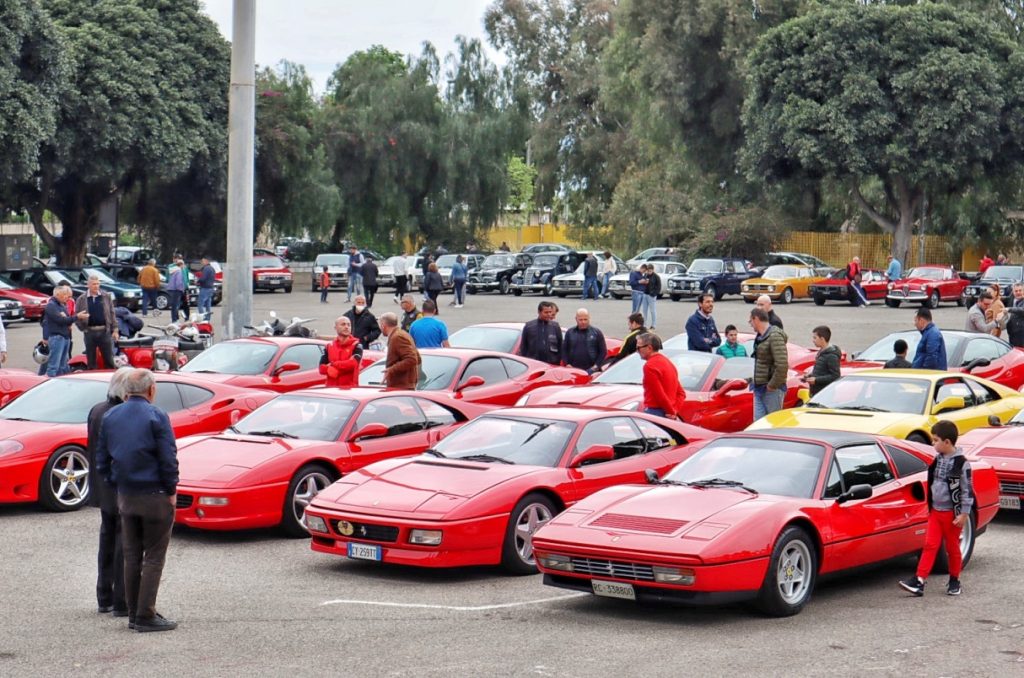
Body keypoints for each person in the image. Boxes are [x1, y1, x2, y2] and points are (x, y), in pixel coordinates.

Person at [95, 368, 179, 632]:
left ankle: (133, 613)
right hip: (154, 495)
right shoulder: (157, 415)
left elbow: (101, 460)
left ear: (127, 391)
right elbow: (168, 458)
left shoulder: (111, 416)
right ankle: (145, 614)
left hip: (126, 495)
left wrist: (116, 483)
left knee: (131, 555)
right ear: (151, 390)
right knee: (153, 556)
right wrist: (171, 489)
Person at [899, 420, 973, 598]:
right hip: (936, 512)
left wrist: (964, 514)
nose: (933, 444)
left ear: (947, 442)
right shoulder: (937, 460)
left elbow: (967, 491)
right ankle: (919, 580)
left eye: (935, 440)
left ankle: (954, 580)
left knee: (953, 548)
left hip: (951, 514)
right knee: (930, 545)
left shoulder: (962, 464)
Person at [88, 368, 132, 618]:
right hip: (117, 487)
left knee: (107, 541)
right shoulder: (118, 415)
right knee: (122, 544)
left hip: (102, 487)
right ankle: (119, 600)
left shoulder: (97, 410)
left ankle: (104, 596)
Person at [750, 307, 789, 420]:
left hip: (772, 390)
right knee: (757, 425)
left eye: (750, 321)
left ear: (756, 319)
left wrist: (772, 385)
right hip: (759, 388)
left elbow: (782, 365)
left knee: (773, 423)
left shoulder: (775, 336)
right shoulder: (761, 337)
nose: (750, 324)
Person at [637, 333, 686, 420]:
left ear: (649, 348)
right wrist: (674, 411)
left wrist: (670, 412)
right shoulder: (668, 363)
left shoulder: (650, 366)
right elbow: (681, 393)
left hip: (655, 412)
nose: (637, 351)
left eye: (638, 348)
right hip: (668, 412)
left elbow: (659, 395)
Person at [75, 275, 118, 370]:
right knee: (91, 360)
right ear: (88, 285)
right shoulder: (81, 299)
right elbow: (76, 315)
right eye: (94, 284)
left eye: (98, 284)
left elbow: (112, 313)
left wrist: (115, 329)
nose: (96, 286)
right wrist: (82, 328)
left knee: (109, 359)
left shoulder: (106, 296)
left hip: (104, 332)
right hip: (89, 332)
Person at [378, 312, 420, 389]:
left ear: (383, 325)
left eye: (380, 324)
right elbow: (418, 358)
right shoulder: (403, 334)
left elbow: (412, 359)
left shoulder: (397, 337)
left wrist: (391, 369)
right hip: (403, 386)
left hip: (401, 387)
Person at [41, 286, 76, 377]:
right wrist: (76, 317)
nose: (66, 297)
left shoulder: (62, 305)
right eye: (64, 294)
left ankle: (60, 385)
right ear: (57, 295)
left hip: (65, 337)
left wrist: (68, 319)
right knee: (53, 366)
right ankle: (48, 385)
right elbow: (60, 320)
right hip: (57, 337)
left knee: (63, 366)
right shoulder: (51, 305)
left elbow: (67, 319)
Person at [319, 316, 362, 387]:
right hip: (331, 388)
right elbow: (321, 368)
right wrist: (328, 370)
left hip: (349, 389)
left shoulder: (357, 345)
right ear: (335, 328)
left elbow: (353, 364)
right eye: (343, 324)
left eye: (349, 325)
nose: (346, 327)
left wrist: (332, 364)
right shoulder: (329, 346)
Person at [561, 309, 607, 374]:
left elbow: (603, 352)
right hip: (573, 369)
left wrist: (595, 366)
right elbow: (564, 350)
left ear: (589, 318)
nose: (583, 322)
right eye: (580, 320)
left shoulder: (597, 332)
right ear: (576, 319)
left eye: (585, 319)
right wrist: (567, 364)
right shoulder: (570, 332)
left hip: (592, 370)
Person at [517, 301, 562, 365]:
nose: (549, 314)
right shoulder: (529, 326)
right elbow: (523, 347)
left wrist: (557, 361)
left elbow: (560, 346)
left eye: (550, 312)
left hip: (551, 364)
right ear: (539, 312)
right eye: (546, 312)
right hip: (533, 364)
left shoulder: (555, 326)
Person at [805, 326, 841, 396]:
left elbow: (835, 376)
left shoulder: (832, 356)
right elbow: (822, 371)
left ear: (822, 339)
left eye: (815, 338)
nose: (813, 340)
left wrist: (816, 380)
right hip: (816, 393)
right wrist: (810, 376)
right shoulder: (821, 352)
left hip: (824, 395)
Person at [640, 263, 661, 330]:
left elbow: (658, 287)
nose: (649, 272)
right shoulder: (645, 275)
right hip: (645, 294)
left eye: (650, 271)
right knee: (644, 310)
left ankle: (653, 325)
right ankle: (644, 324)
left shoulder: (656, 277)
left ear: (652, 270)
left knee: (652, 310)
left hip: (651, 295)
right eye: (648, 271)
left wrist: (654, 294)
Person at [165, 258, 185, 322]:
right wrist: (181, 289)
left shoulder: (173, 271)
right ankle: (175, 319)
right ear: (181, 265)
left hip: (171, 289)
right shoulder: (179, 271)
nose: (184, 266)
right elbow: (178, 282)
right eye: (183, 265)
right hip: (176, 290)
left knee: (174, 305)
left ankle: (174, 319)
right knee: (175, 305)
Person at [1005, 283, 1024, 348]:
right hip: (1013, 334)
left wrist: (1009, 309)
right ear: (1013, 292)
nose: (1018, 292)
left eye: (1020, 290)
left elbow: (1022, 310)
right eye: (1016, 291)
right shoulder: (1013, 300)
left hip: (1021, 336)